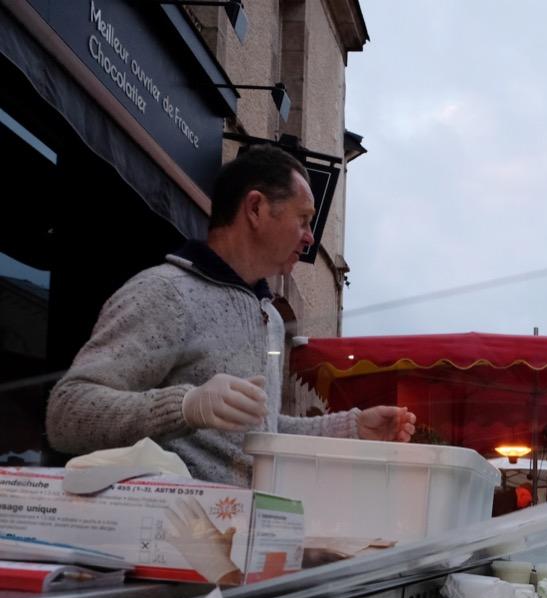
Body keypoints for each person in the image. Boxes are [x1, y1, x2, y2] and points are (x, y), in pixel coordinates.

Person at [46, 146, 416, 487]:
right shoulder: (165, 293)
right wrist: (184, 406)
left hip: (233, 540)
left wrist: (349, 428)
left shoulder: (270, 319)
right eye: (303, 220)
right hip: (159, 544)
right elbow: (67, 412)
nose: (309, 239)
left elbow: (258, 434)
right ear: (255, 209)